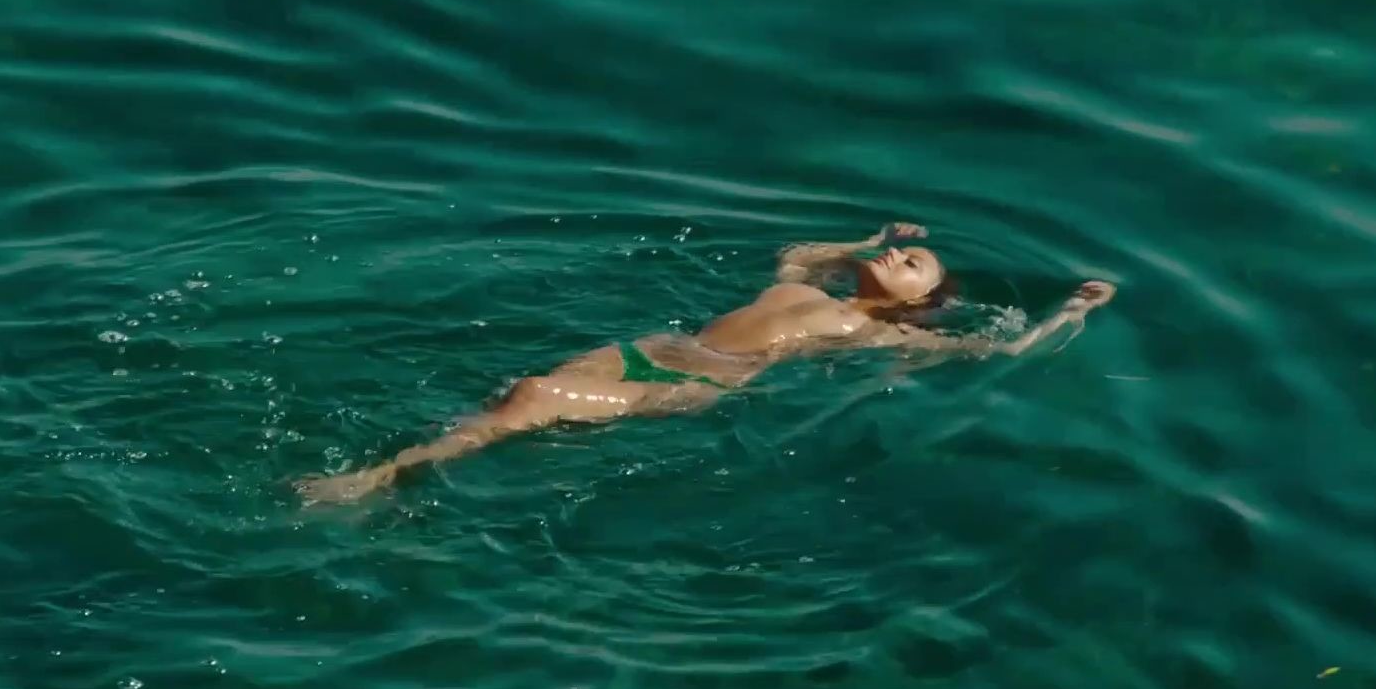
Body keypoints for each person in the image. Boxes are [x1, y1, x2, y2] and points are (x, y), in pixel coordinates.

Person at [296, 222, 1115, 504]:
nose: (903, 257)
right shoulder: (804, 286)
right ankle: (423, 457)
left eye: (915, 264)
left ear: (918, 301)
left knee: (536, 394)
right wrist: (863, 242)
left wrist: (1071, 310)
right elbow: (796, 253)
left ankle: (380, 476)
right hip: (656, 346)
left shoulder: (875, 334)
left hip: (698, 378)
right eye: (905, 251)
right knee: (517, 394)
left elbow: (998, 346)